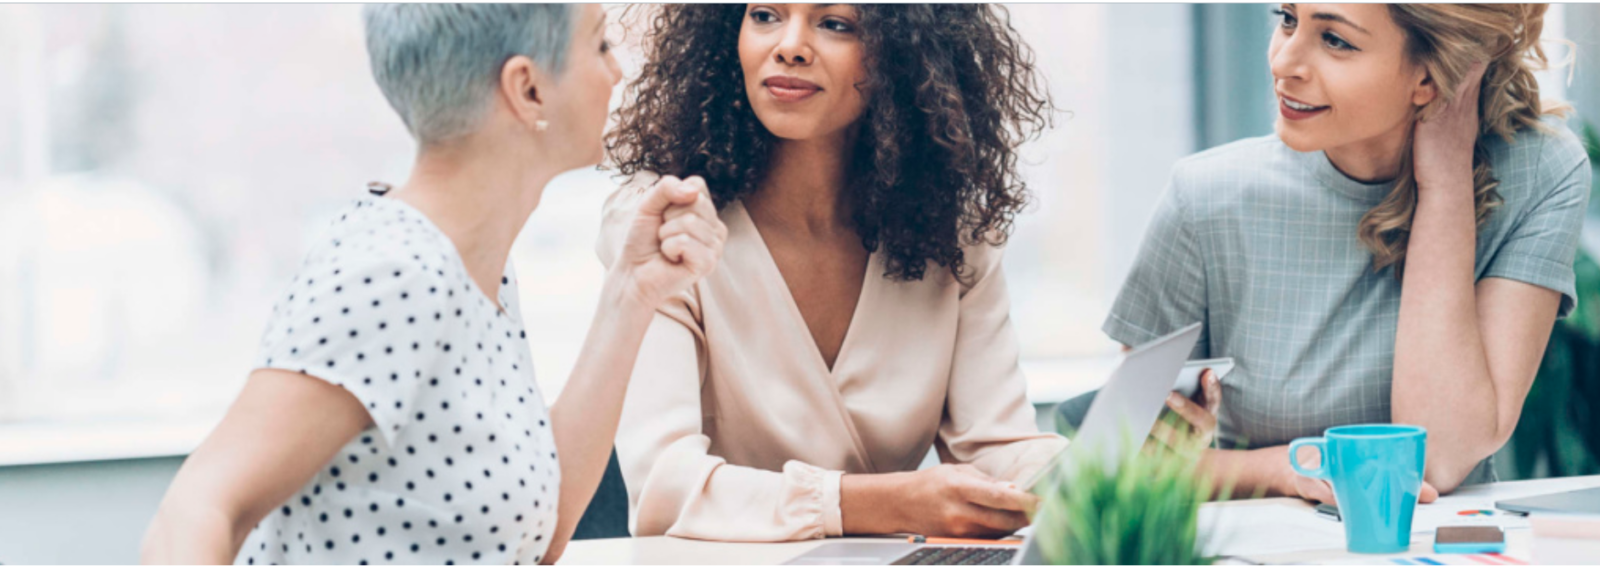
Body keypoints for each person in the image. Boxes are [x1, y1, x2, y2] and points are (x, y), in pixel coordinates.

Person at [140, 5, 727, 564]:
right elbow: (194, 510)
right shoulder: (392, 274)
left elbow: (538, 532)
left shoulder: (479, 267)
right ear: (528, 89)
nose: (617, 70)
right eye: (600, 44)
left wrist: (632, 291)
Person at [597, 3, 1068, 542]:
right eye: (765, 15)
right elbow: (664, 488)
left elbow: (999, 448)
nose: (790, 45)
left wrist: (1136, 473)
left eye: (835, 24)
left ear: (907, 55)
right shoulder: (667, 221)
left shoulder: (951, 234)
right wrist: (886, 504)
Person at [1101, 3, 1590, 505]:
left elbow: (1439, 456)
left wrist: (1444, 184)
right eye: (1288, 18)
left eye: (1335, 40)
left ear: (1430, 76)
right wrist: (1283, 468)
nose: (1283, 62)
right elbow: (1118, 460)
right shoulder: (1207, 196)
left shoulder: (1541, 173)